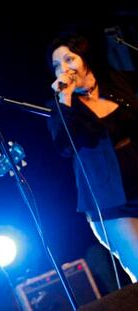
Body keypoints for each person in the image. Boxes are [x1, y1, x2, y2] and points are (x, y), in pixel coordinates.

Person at [47, 30, 138, 283]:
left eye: (69, 59)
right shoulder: (61, 109)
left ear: (84, 57)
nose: (64, 68)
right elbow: (64, 147)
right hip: (112, 203)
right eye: (57, 65)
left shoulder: (116, 82)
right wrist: (64, 98)